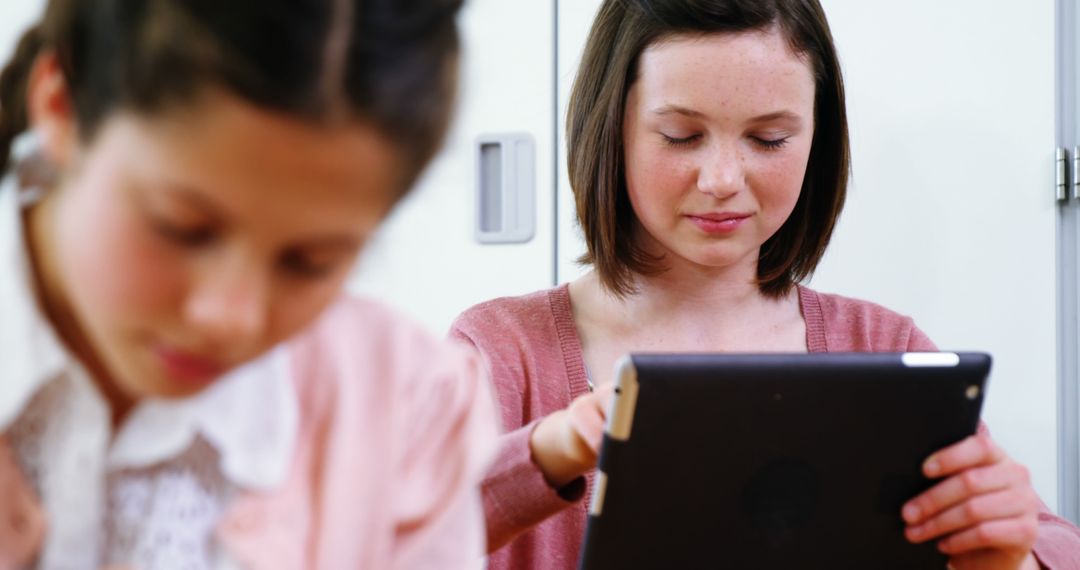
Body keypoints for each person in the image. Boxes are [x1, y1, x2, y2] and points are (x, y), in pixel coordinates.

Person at [450, 0, 1080, 568]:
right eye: (681, 136)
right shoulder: (502, 352)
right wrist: (547, 455)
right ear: (609, 126)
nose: (723, 177)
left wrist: (1010, 556)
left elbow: (1050, 547)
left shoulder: (884, 347)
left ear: (817, 138)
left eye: (768, 138)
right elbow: (380, 538)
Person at [0, 0, 496, 567]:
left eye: (310, 263)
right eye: (182, 229)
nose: (230, 316)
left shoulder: (406, 409)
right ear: (60, 107)